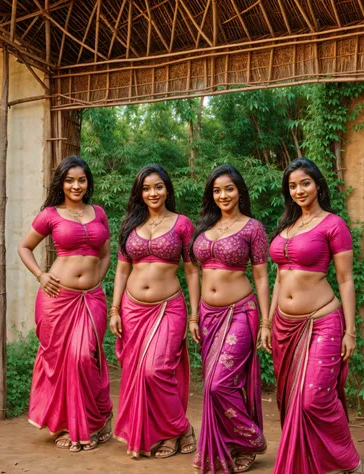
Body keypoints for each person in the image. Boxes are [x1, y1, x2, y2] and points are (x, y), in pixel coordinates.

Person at [266, 158, 363, 473]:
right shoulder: (286, 227)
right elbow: (280, 278)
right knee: (289, 399)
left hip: (322, 322)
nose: (299, 190)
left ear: (318, 185)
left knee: (314, 398)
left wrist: (351, 331)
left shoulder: (334, 225)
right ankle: (314, 461)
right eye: (292, 185)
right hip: (284, 326)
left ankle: (349, 461)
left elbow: (346, 280)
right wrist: (267, 322)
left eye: (305, 183)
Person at [18, 155, 112, 452]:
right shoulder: (50, 214)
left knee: (86, 357)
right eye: (69, 180)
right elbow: (25, 247)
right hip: (57, 299)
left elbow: (107, 253)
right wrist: (40, 275)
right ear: (61, 183)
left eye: (81, 180)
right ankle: (72, 426)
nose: (76, 185)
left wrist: (96, 281)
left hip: (91, 298)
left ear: (88, 183)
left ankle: (96, 421)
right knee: (62, 361)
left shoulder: (98, 212)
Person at [110, 164, 199, 459]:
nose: (153, 193)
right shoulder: (129, 226)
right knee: (138, 375)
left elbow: (191, 270)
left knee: (156, 371)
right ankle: (169, 435)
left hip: (167, 307)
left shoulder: (182, 224)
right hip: (132, 309)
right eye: (146, 188)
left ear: (168, 189)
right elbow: (122, 270)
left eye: (158, 186)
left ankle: (181, 427)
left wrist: (194, 315)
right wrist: (114, 309)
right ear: (139, 193)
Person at [190, 165, 269, 474]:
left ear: (240, 191)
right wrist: (194, 315)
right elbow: (194, 273)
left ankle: (251, 439)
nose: (223, 195)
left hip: (240, 312)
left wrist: (265, 322)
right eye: (217, 190)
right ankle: (232, 444)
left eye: (229, 189)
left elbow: (262, 277)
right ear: (212, 195)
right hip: (208, 317)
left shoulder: (253, 228)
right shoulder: (203, 227)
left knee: (217, 385)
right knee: (222, 384)